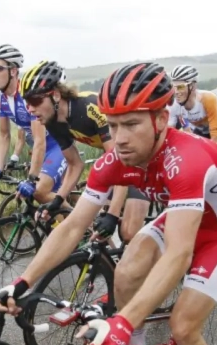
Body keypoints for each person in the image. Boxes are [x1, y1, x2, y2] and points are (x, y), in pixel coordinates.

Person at [0, 62, 217, 345]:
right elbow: (71, 227)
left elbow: (182, 251)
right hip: (181, 212)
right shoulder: (115, 159)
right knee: (127, 270)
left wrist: (123, 320)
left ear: (162, 119)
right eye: (113, 127)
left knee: (184, 326)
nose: (119, 139)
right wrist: (23, 281)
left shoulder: (186, 158)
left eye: (131, 124)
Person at [19, 60, 150, 243]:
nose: (30, 109)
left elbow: (120, 163)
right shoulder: (53, 121)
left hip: (142, 161)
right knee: (94, 228)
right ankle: (109, 265)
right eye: (26, 103)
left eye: (35, 101)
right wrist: (58, 200)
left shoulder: (90, 109)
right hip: (119, 161)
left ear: (56, 95)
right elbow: (75, 164)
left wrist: (112, 214)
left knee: (128, 233)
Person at [0, 44, 67, 205]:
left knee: (40, 193)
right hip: (41, 149)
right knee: (57, 194)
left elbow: (40, 140)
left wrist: (30, 179)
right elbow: (4, 134)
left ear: (13, 71)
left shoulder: (28, 95)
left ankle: (82, 226)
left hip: (58, 145)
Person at [170, 65, 217, 144]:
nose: (176, 92)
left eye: (180, 87)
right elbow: (172, 132)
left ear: (192, 86)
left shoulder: (208, 99)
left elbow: (215, 135)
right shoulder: (175, 105)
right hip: (201, 129)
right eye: (173, 87)